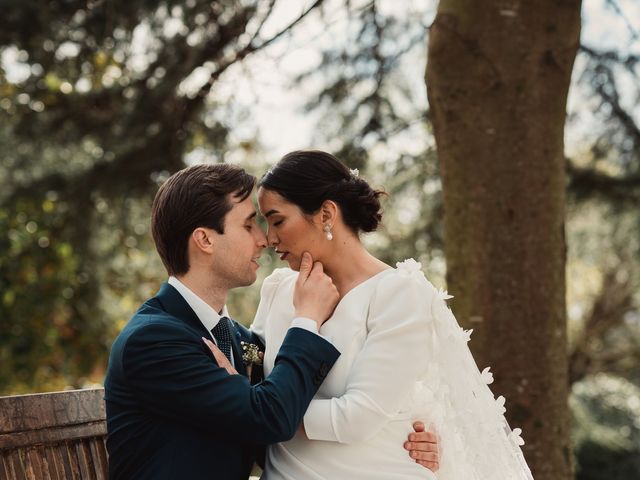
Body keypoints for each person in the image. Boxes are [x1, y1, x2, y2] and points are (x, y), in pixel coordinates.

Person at [104, 163, 436, 480]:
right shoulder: (154, 340)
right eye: (249, 225)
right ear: (205, 240)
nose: (264, 240)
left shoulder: (231, 336)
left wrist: (400, 438)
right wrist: (306, 318)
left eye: (270, 223)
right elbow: (268, 416)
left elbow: (269, 419)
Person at [244, 150, 533, 479]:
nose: (269, 238)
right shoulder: (279, 290)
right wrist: (258, 408)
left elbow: (358, 417)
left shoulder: (398, 295)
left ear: (326, 213)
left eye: (277, 220)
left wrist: (264, 412)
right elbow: (250, 382)